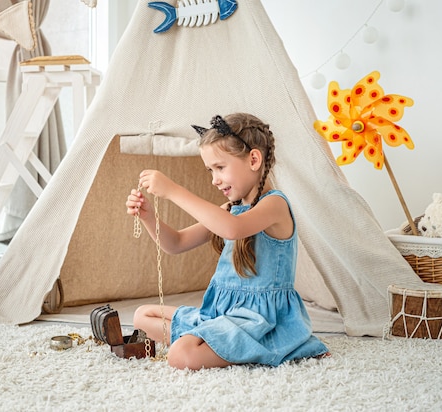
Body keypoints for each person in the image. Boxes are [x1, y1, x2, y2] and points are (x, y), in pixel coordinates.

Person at [125, 113, 329, 370]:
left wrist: (174, 191)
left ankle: (270, 346)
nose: (214, 179)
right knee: (142, 316)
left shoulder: (275, 204)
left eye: (220, 168)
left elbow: (233, 230)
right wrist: (147, 216)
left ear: (254, 160)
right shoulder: (230, 209)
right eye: (210, 170)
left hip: (260, 319)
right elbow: (176, 243)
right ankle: (214, 341)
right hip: (222, 312)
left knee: (181, 354)